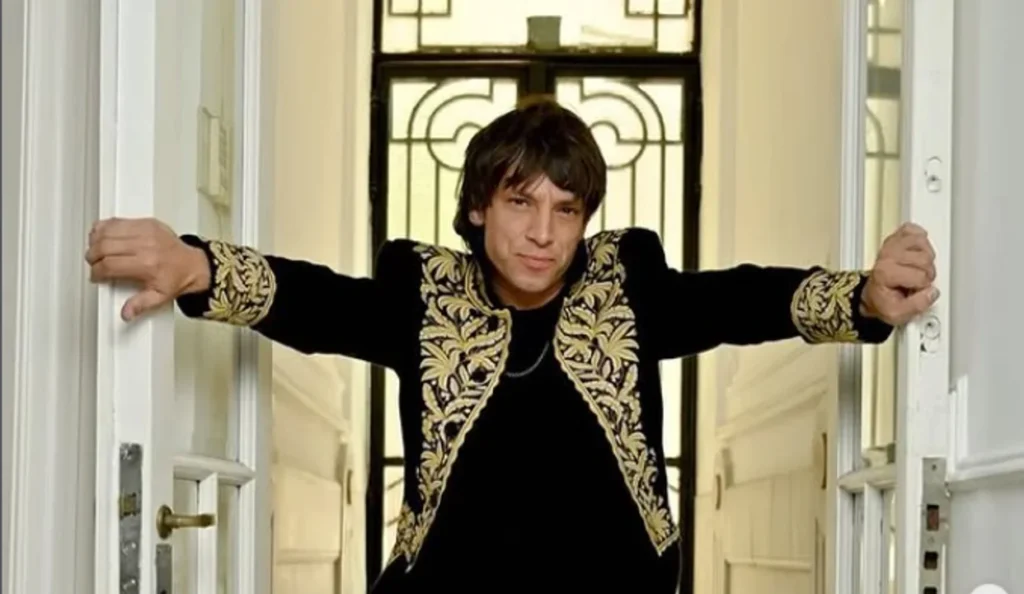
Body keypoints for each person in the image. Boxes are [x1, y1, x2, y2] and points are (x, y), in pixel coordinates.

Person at [86, 98, 938, 593]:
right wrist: (194, 265)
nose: (543, 233)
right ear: (477, 208)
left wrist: (863, 296)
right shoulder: (426, 297)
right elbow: (322, 303)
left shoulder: (627, 288)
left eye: (566, 210)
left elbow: (737, 299)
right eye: (520, 203)